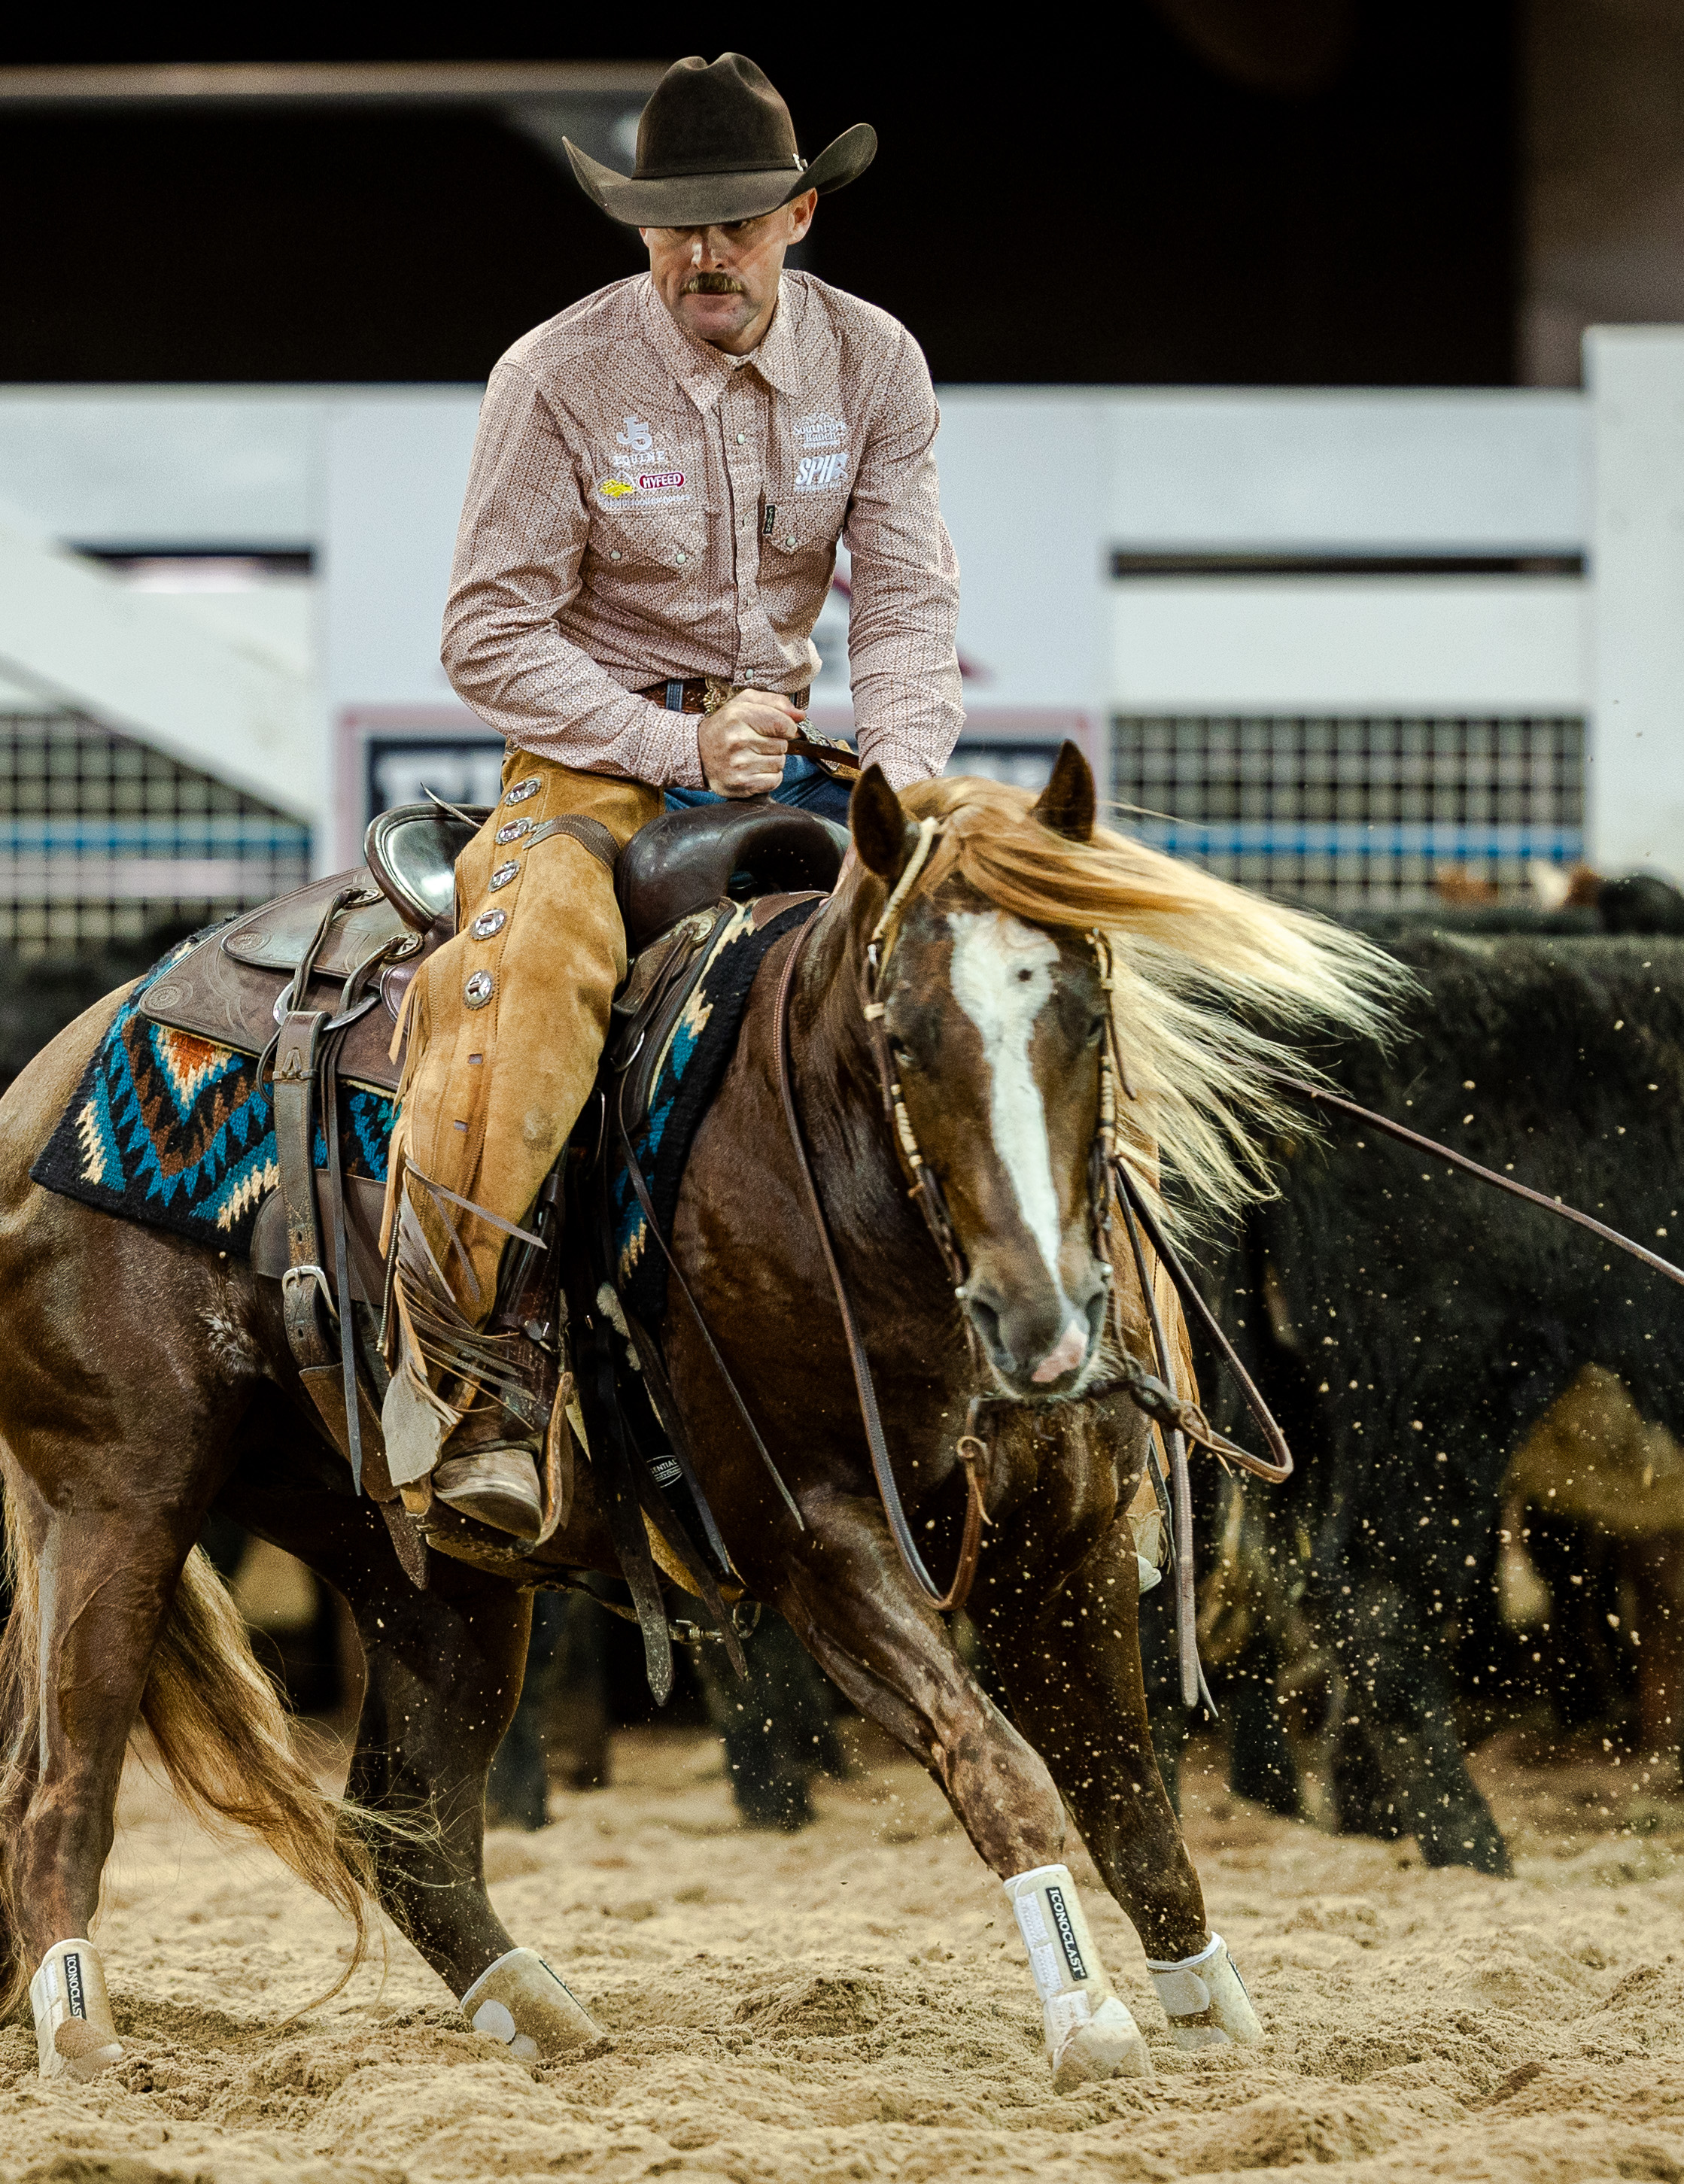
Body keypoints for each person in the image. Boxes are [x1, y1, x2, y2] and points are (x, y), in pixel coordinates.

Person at [384, 52, 964, 1539]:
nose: (707, 253)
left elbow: (908, 607)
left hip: (797, 761)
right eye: (676, 224)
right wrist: (675, 751)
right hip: (593, 765)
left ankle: (1083, 1349)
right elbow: (488, 634)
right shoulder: (556, 376)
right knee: (533, 972)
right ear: (639, 227)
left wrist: (903, 802)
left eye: (739, 222)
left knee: (996, 953)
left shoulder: (876, 363)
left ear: (800, 217)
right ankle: (477, 1377)